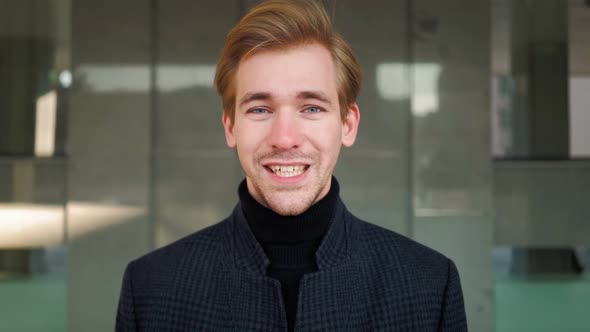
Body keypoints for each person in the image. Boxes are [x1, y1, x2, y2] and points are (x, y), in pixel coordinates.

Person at [115, 0, 467, 331]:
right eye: (260, 109)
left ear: (348, 124)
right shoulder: (149, 290)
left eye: (311, 108)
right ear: (230, 127)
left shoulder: (430, 285)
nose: (285, 138)